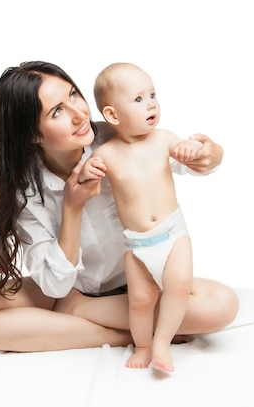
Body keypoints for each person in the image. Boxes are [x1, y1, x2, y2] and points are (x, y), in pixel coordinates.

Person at [0, 61, 239, 354]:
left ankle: (83, 315)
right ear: (32, 134)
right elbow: (55, 287)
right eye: (57, 111)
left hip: (136, 285)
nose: (79, 114)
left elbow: (188, 158)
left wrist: (211, 153)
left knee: (221, 305)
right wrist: (72, 207)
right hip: (67, 291)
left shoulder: (117, 135)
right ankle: (129, 334)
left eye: (73, 95)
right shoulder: (26, 188)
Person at [77, 62, 203, 371]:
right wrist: (86, 171)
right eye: (138, 99)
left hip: (174, 236)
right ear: (112, 116)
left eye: (152, 95)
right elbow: (82, 177)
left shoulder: (163, 138)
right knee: (141, 299)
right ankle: (144, 345)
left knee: (178, 285)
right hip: (136, 245)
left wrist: (192, 146)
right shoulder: (106, 154)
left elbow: (188, 151)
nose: (151, 104)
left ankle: (162, 341)